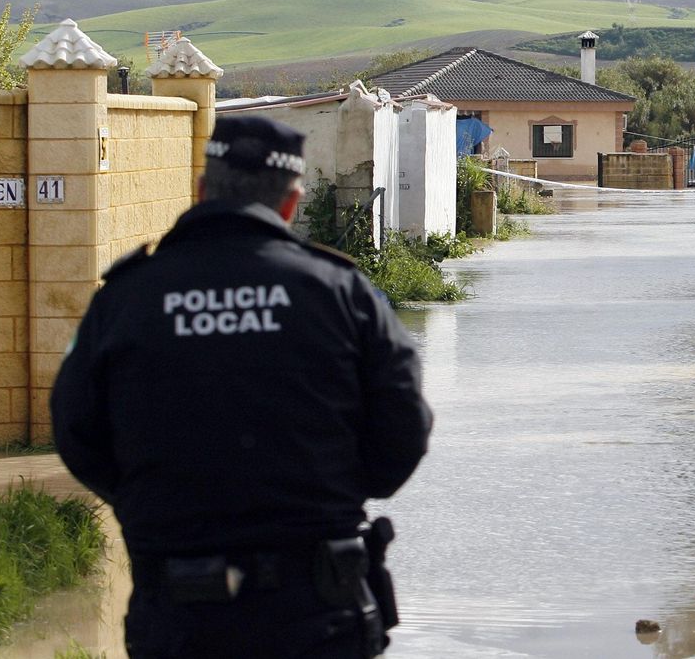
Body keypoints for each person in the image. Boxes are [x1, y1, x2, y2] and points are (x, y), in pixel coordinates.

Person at [51, 115, 434, 659]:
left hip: (179, 610)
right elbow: (405, 427)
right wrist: (332, 494)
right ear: (290, 203)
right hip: (319, 610)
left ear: (202, 191)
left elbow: (74, 429)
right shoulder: (340, 292)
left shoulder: (126, 297)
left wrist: (151, 503)